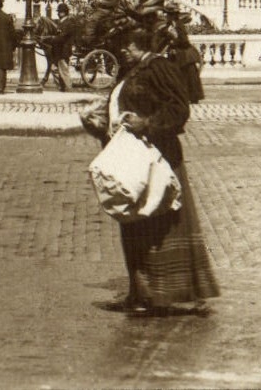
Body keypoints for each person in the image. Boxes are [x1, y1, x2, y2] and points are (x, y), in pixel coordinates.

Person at [82, 24, 218, 315]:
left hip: (156, 157)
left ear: (139, 45)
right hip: (132, 155)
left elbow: (179, 108)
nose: (122, 51)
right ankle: (140, 293)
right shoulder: (133, 70)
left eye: (127, 46)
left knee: (159, 223)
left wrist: (148, 124)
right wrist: (98, 122)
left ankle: (170, 294)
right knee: (135, 222)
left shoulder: (160, 67)